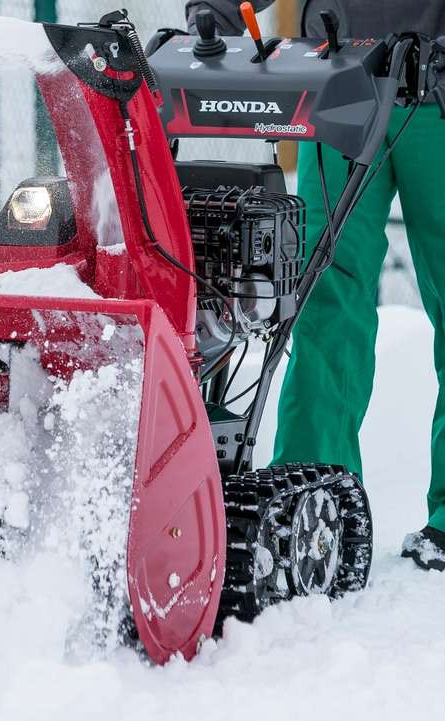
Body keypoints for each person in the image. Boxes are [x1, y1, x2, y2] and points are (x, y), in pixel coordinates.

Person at [186, 0, 445, 571]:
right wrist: (216, 22)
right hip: (341, 85)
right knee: (322, 299)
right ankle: (310, 501)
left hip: (440, 97)